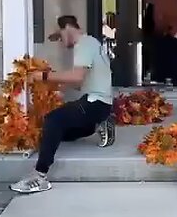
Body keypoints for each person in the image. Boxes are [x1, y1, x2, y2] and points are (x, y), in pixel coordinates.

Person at [10, 15, 116, 194]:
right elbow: (79, 81)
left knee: (53, 120)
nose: (60, 42)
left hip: (95, 102)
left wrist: (43, 76)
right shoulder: (91, 43)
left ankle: (39, 176)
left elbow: (77, 76)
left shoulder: (84, 44)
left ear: (67, 27)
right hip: (100, 104)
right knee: (59, 134)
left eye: (60, 36)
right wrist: (57, 88)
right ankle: (99, 124)